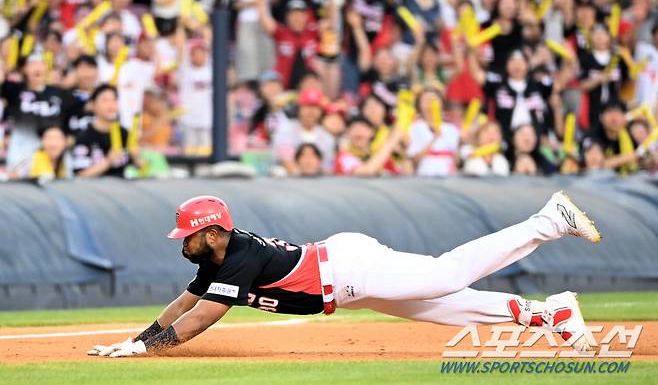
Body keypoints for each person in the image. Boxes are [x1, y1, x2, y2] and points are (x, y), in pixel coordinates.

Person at [87, 192, 602, 358]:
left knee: (448, 275)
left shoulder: (237, 256)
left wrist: (146, 350)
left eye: (190, 237)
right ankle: (548, 313)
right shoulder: (217, 259)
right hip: (344, 279)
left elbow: (201, 320)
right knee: (443, 310)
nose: (185, 244)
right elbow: (183, 305)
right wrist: (140, 339)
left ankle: (549, 220)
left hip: (349, 272)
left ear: (214, 232)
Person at [71, 84, 142, 177]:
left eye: (114, 100)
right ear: (93, 105)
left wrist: (136, 157)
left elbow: (139, 168)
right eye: (105, 100)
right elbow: (80, 176)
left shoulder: (124, 133)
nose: (111, 105)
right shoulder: (84, 137)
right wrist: (108, 161)